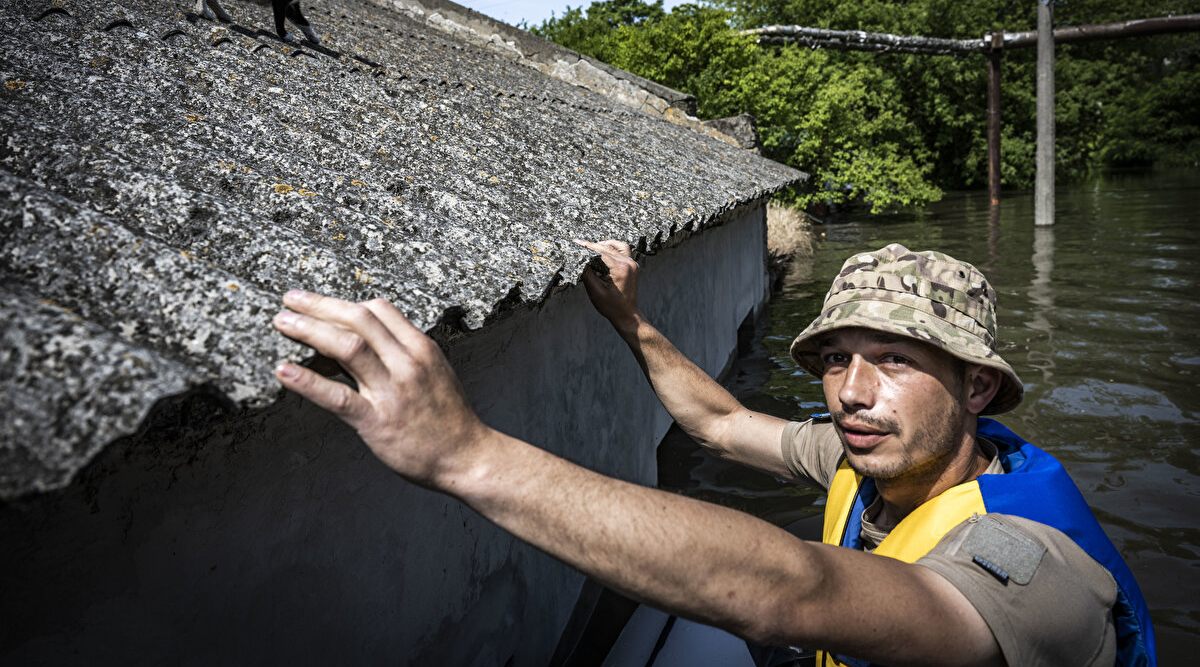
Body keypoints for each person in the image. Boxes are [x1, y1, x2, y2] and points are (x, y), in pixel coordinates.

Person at [271, 240, 1155, 666]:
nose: (851, 392)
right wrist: (630, 319)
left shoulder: (1037, 572)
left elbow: (793, 592)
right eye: (837, 360)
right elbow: (722, 425)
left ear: (977, 391)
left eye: (895, 362)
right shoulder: (871, 459)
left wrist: (463, 455)